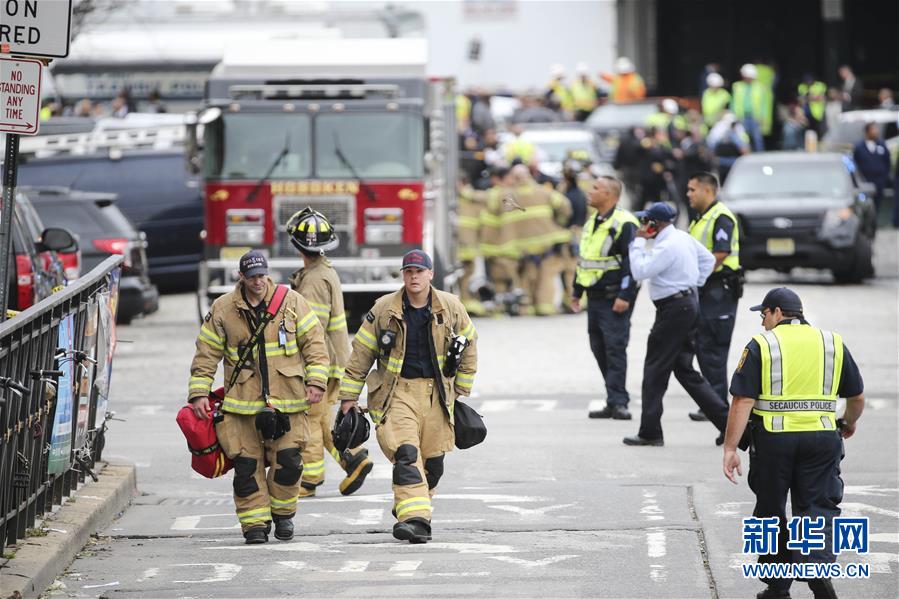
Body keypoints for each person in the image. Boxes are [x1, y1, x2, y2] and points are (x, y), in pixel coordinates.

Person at [723, 288, 865, 599]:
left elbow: (743, 399)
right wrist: (848, 422)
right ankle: (818, 571)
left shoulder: (763, 344)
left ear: (776, 312)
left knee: (771, 510)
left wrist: (731, 448)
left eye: (764, 315)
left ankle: (778, 586)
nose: (762, 323)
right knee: (819, 506)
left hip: (774, 442)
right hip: (822, 440)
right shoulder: (832, 343)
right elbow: (856, 396)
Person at [188, 250, 330, 544]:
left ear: (268, 274)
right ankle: (254, 524)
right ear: (241, 277)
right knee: (246, 467)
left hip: (288, 403)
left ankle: (283, 516)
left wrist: (316, 381)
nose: (258, 282)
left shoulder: (292, 303)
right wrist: (199, 393)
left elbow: (315, 345)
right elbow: (206, 355)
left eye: (262, 276)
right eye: (252, 277)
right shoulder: (224, 309)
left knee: (289, 463)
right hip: (242, 406)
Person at [338, 250, 478, 544]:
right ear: (403, 275)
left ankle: (410, 503)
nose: (413, 276)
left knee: (433, 465)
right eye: (408, 271)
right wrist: (349, 397)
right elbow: (361, 354)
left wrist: (461, 389)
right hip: (397, 392)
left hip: (437, 395)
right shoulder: (384, 309)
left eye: (419, 271)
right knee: (406, 454)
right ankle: (414, 520)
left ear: (430, 275)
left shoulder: (451, 307)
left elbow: (470, 343)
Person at [623, 202, 729, 446]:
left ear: (654, 224)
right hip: (686, 304)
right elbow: (708, 260)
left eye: (645, 222)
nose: (642, 226)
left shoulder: (667, 246)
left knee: (654, 370)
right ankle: (729, 424)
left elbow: (639, 271)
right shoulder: (681, 237)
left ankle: (650, 432)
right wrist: (693, 285)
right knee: (685, 370)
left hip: (673, 310)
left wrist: (638, 241)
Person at [287, 208, 373, 498]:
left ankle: (308, 481)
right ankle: (354, 459)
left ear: (297, 246)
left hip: (320, 363)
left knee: (308, 420)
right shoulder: (324, 272)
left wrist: (312, 371)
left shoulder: (312, 281)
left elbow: (311, 331)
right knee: (322, 419)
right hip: (333, 360)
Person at [571, 176, 640, 420]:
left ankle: (619, 402)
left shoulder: (625, 223)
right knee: (598, 347)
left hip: (614, 299)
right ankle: (613, 398)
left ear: (610, 195)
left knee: (615, 349)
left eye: (596, 188)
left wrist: (625, 295)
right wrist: (577, 291)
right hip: (595, 296)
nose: (590, 192)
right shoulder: (593, 222)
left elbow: (633, 264)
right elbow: (585, 260)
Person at [686, 173, 742, 422]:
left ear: (708, 191)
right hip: (707, 290)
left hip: (720, 290)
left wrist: (695, 278)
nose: (688, 194)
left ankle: (718, 407)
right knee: (704, 346)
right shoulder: (700, 218)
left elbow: (720, 254)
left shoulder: (720, 217)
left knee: (714, 349)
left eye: (692, 189)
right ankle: (711, 403)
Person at [852, 122, 891, 218]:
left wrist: (884, 177)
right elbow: (855, 164)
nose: (876, 131)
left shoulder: (881, 144)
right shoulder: (859, 147)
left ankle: (874, 224)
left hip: (879, 182)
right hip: (865, 183)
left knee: (877, 204)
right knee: (865, 205)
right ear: (867, 132)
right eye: (873, 129)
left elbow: (887, 162)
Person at [731, 64, 771, 152]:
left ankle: (760, 154)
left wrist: (762, 115)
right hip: (741, 115)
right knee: (743, 137)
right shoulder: (737, 86)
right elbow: (733, 102)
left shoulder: (759, 87)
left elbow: (763, 103)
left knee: (757, 136)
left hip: (755, 115)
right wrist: (734, 114)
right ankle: (747, 153)